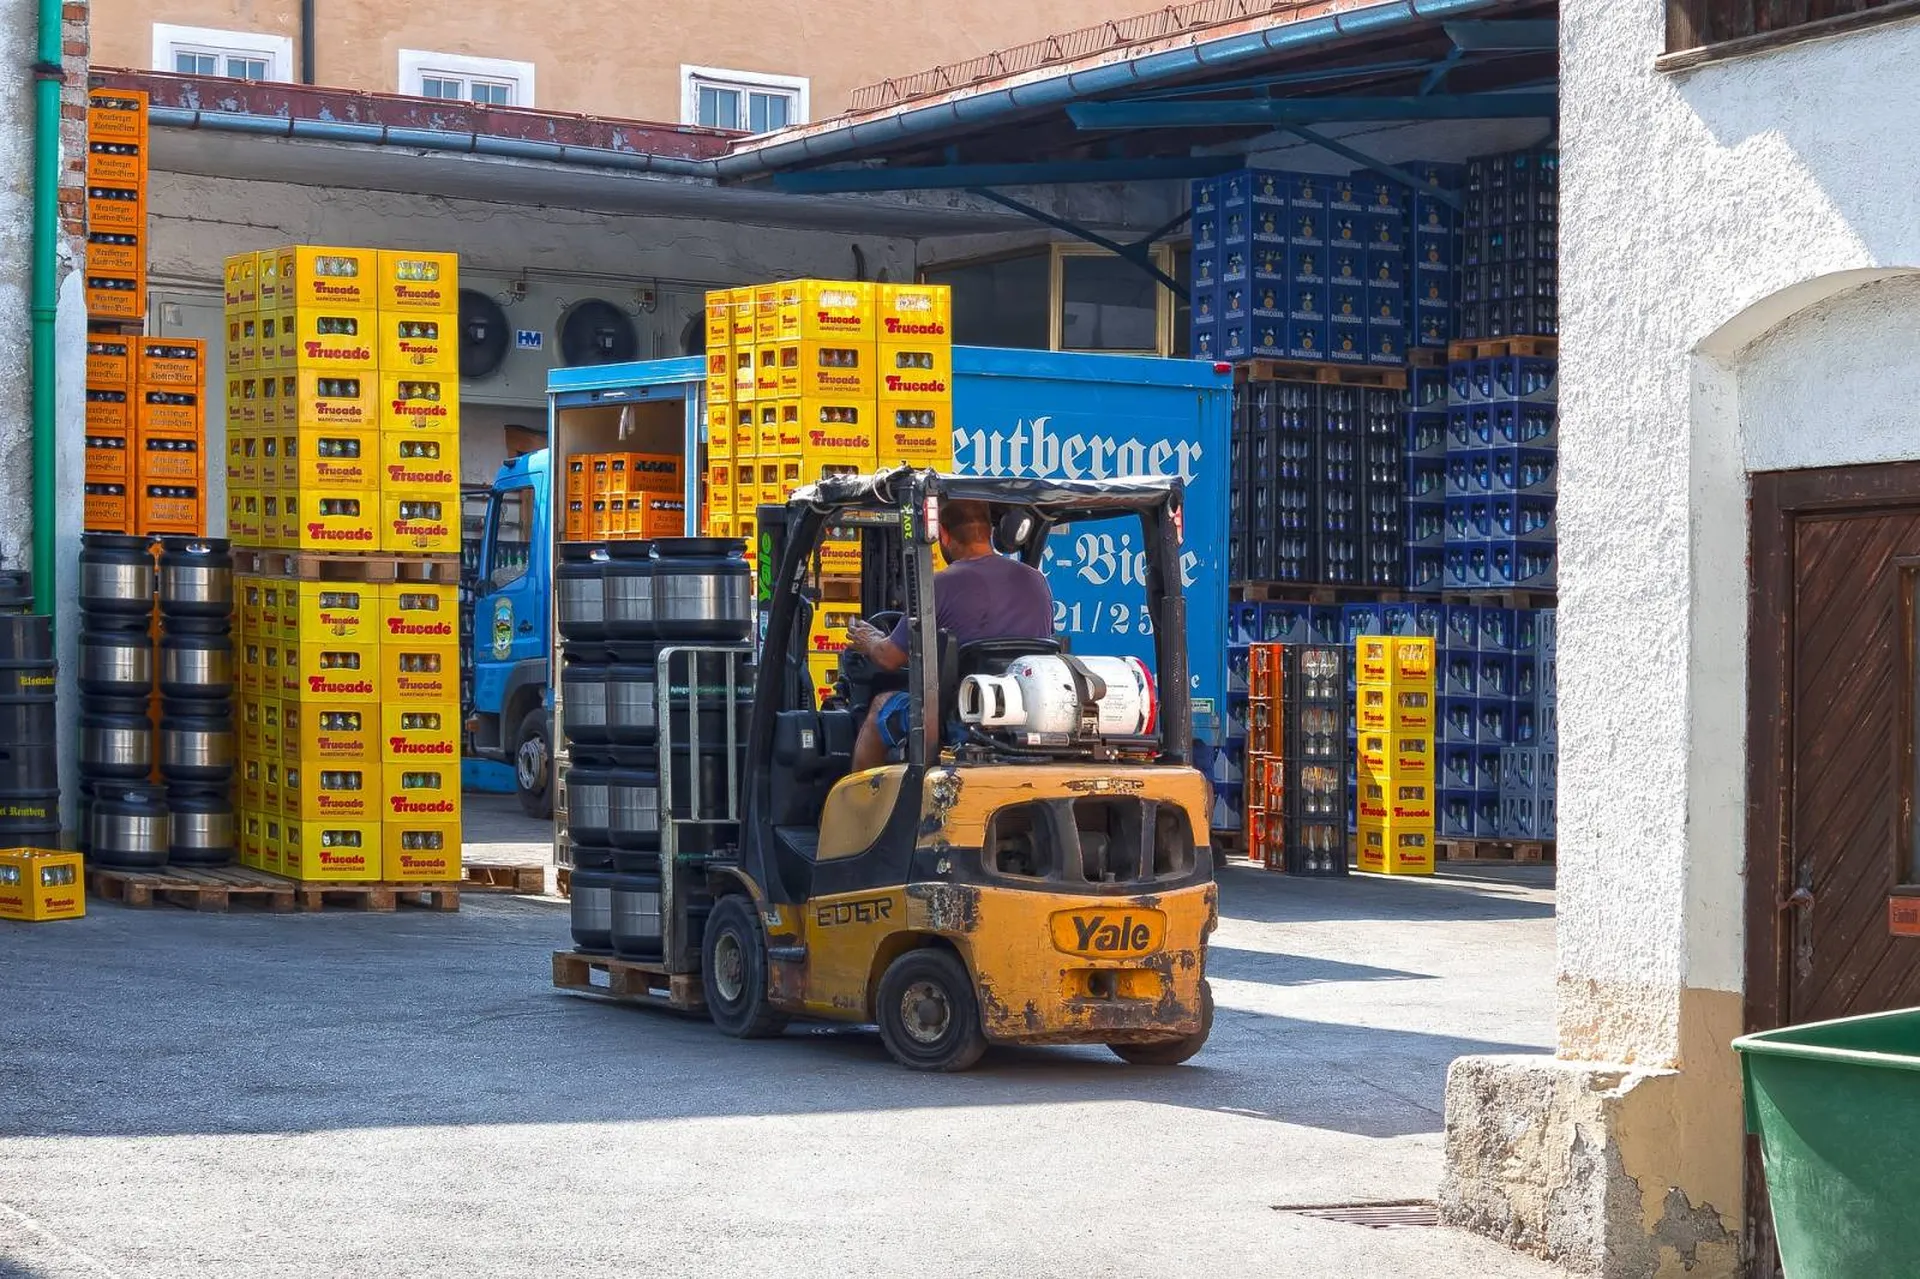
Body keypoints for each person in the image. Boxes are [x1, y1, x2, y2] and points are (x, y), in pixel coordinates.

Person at [843, 498, 1053, 771]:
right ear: (990, 530)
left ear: (941, 533)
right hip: (1027, 712)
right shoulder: (1036, 581)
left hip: (961, 714)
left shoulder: (940, 584)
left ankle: (860, 810)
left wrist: (869, 641)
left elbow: (889, 658)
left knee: (880, 708)